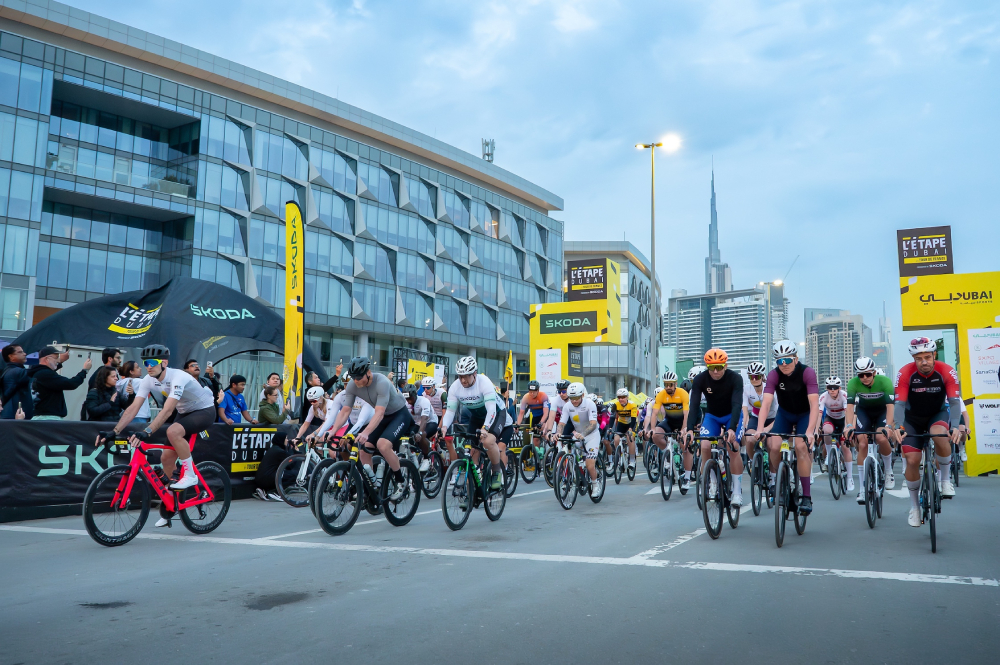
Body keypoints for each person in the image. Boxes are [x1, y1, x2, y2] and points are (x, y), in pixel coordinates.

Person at [98, 344, 217, 526]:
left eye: (152, 362)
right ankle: (171, 502)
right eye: (145, 363)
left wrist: (147, 431)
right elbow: (133, 408)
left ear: (164, 363)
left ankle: (190, 474)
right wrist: (114, 431)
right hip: (184, 412)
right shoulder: (148, 380)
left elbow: (167, 410)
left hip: (204, 410)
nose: (148, 366)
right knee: (166, 458)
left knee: (173, 431)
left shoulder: (178, 377)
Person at [894, 336, 963, 527]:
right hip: (912, 419)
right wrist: (898, 426)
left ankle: (945, 480)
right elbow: (899, 404)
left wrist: (955, 426)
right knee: (912, 460)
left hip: (936, 415)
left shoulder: (946, 370)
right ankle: (915, 507)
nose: (923, 362)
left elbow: (954, 402)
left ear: (934, 355)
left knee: (939, 434)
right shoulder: (905, 373)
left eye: (927, 357)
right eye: (918, 358)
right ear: (913, 359)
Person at [326, 357, 416, 501]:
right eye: (353, 377)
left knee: (383, 445)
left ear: (368, 373)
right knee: (364, 449)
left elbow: (379, 413)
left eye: (359, 377)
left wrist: (366, 432)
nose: (356, 381)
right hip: (382, 416)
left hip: (399, 414)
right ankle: (371, 485)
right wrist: (333, 431)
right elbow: (345, 411)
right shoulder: (352, 385)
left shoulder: (382, 382)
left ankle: (401, 482)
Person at [756, 340, 820, 516]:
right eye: (779, 361)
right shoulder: (774, 375)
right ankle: (779, 479)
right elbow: (766, 403)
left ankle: (806, 496)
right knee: (774, 446)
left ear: (796, 359)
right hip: (785, 414)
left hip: (804, 414)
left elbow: (814, 404)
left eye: (787, 360)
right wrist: (760, 428)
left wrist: (810, 431)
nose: (784, 364)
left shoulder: (807, 373)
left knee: (801, 446)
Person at [684, 349, 745, 505]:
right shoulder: (700, 379)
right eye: (712, 367)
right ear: (707, 367)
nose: (715, 371)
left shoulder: (735, 378)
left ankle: (737, 491)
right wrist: (689, 429)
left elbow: (737, 405)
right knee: (704, 445)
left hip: (731, 415)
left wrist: (732, 429)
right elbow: (694, 406)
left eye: (719, 367)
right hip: (712, 417)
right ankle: (712, 481)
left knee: (732, 446)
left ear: (726, 366)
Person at [439, 356, 505, 490]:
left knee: (487, 442)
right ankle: (473, 488)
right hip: (476, 416)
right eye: (460, 376)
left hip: (496, 414)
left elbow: (491, 409)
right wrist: (444, 427)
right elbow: (450, 411)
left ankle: (497, 471)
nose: (463, 380)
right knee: (471, 449)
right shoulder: (455, 387)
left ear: (474, 373)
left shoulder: (484, 382)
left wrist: (485, 428)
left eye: (466, 376)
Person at [845, 356, 896, 504]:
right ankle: (862, 489)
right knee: (862, 443)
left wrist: (889, 426)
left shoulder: (885, 382)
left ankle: (888, 471)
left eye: (868, 374)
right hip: (864, 412)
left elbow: (890, 407)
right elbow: (850, 407)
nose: (865, 378)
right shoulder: (853, 383)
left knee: (881, 437)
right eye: (861, 375)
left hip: (882, 412)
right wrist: (849, 426)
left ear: (874, 372)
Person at [555, 382, 602, 496]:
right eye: (572, 398)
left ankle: (595, 484)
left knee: (589, 464)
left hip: (591, 435)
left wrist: (584, 434)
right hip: (578, 435)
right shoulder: (567, 406)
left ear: (582, 395)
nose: (574, 401)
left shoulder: (590, 404)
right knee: (569, 451)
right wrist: (558, 433)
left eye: (576, 398)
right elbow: (562, 423)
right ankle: (572, 475)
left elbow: (593, 424)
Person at [646, 371, 691, 487]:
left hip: (682, 421)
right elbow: (654, 413)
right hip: (669, 421)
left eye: (670, 384)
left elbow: (686, 414)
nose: (668, 387)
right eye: (666, 384)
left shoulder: (683, 393)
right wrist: (652, 428)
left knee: (684, 446)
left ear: (675, 384)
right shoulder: (661, 395)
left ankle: (687, 477)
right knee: (656, 435)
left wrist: (683, 429)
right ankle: (667, 453)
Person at [29, 346, 92, 420]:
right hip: (49, 418)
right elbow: (71, 384)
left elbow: (48, 372)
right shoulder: (45, 374)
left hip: (42, 417)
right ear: (47, 359)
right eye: (56, 358)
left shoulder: (37, 373)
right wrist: (84, 370)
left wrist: (61, 361)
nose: (57, 360)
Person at [819, 376, 854, 493]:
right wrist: (816, 428)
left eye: (835, 387)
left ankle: (849, 478)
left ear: (839, 388)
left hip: (843, 419)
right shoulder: (823, 397)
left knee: (845, 447)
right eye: (830, 387)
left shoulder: (844, 395)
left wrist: (847, 427)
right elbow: (819, 414)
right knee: (826, 430)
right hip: (831, 418)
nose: (832, 390)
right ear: (827, 388)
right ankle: (829, 455)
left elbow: (848, 412)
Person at [741, 361, 777, 454]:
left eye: (756, 377)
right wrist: (744, 426)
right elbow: (745, 410)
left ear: (762, 376)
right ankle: (753, 461)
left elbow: (780, 412)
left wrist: (767, 429)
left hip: (773, 419)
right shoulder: (746, 389)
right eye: (751, 377)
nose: (754, 379)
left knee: (770, 445)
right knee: (749, 439)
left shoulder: (770, 389)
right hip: (756, 418)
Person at [405, 384, 439, 472]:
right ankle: (414, 455)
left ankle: (426, 458)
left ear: (415, 395)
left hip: (430, 422)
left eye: (410, 399)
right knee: (407, 436)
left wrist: (420, 433)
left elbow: (424, 419)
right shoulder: (405, 403)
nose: (408, 401)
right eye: (407, 399)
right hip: (417, 423)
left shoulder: (424, 401)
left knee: (422, 435)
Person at [607, 387, 639, 471]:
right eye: (619, 397)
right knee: (616, 439)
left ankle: (632, 460)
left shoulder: (632, 405)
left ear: (627, 397)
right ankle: (619, 457)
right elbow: (612, 417)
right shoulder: (615, 405)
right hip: (621, 424)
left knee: (630, 438)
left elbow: (633, 419)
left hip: (631, 424)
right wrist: (610, 428)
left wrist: (630, 429)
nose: (621, 399)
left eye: (623, 397)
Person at [1, 344, 32, 419]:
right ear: (11, 356)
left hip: (10, 415)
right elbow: (37, 374)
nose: (24, 354)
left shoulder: (8, 370)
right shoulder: (17, 372)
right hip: (14, 416)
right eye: (20, 352)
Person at [116, 360, 150, 425]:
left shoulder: (120, 382)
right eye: (137, 367)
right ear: (131, 372)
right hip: (139, 415)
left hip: (126, 415)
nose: (140, 368)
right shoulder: (139, 382)